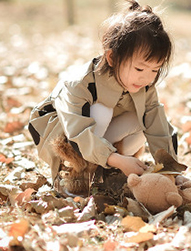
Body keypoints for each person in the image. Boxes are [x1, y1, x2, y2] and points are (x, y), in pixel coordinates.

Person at [28, 0, 178, 198]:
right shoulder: (80, 83)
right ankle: (75, 175)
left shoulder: (143, 85)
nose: (147, 77)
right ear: (112, 58)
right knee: (101, 110)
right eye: (140, 68)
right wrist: (116, 158)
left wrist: (170, 172)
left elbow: (158, 128)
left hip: (101, 138)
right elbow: (78, 131)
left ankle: (106, 172)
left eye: (155, 70)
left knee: (142, 119)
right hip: (65, 138)